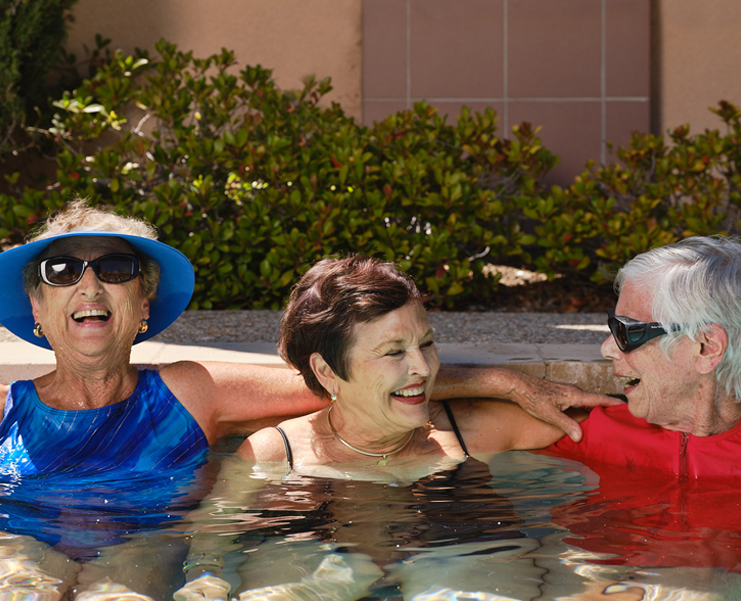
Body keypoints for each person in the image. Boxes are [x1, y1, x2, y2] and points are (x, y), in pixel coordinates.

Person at [0, 200, 612, 598]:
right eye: (60, 271)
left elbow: (346, 381)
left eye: (115, 269)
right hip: (20, 548)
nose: (89, 284)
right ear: (36, 310)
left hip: (143, 555)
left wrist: (500, 383)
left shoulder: (190, 392)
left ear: (143, 306)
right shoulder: (5, 411)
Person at [238, 255, 584, 469]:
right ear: (327, 372)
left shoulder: (476, 430)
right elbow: (210, 556)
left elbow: (603, 430)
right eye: (393, 351)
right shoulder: (275, 456)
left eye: (427, 343)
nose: (424, 367)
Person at [547, 235, 741, 478]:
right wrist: (509, 385)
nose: (607, 349)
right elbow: (486, 430)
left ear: (706, 347)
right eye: (614, 325)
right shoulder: (602, 431)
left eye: (629, 330)